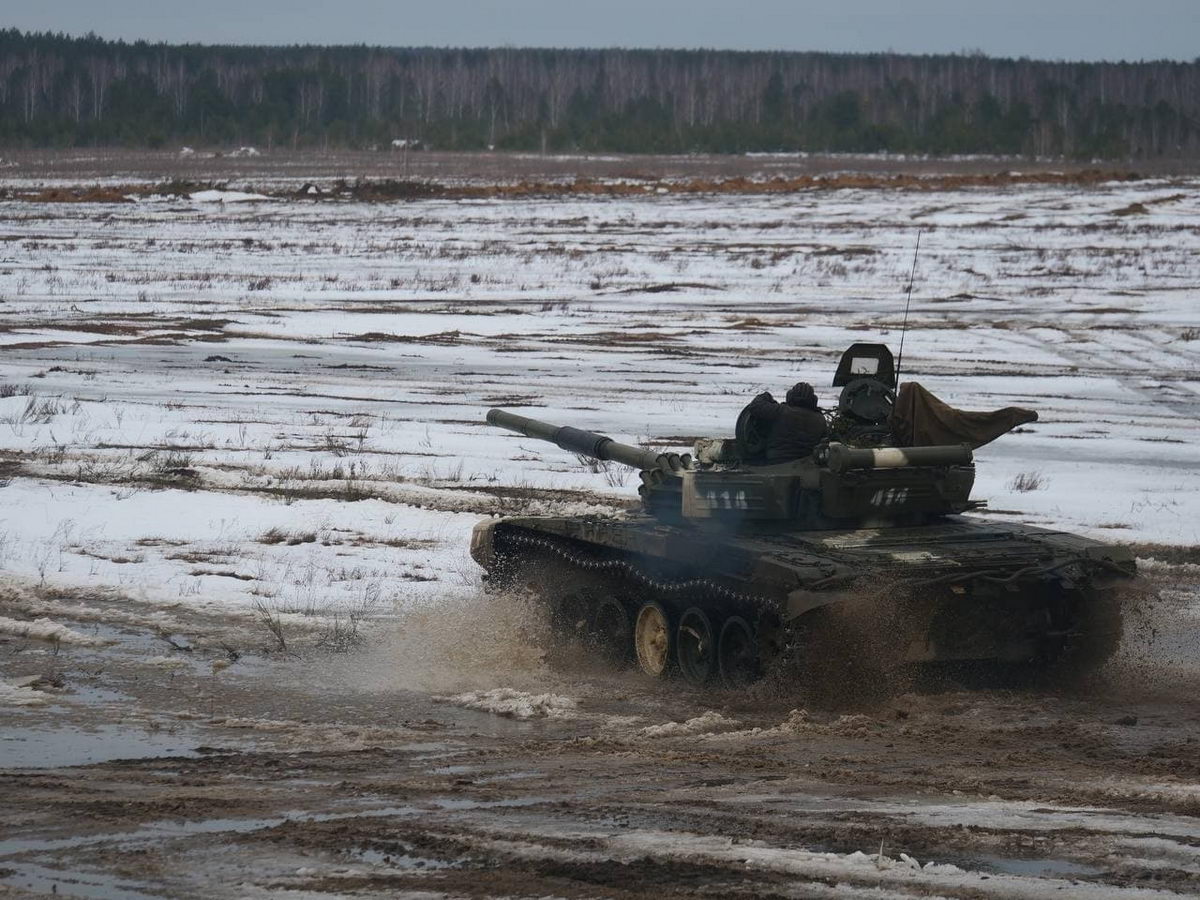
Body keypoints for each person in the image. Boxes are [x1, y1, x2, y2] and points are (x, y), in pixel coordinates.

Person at [746, 382, 827, 462]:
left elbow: (755, 406)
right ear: (813, 399)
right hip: (804, 462)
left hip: (777, 461)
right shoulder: (820, 419)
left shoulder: (780, 411)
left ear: (790, 396)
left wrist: (766, 396)